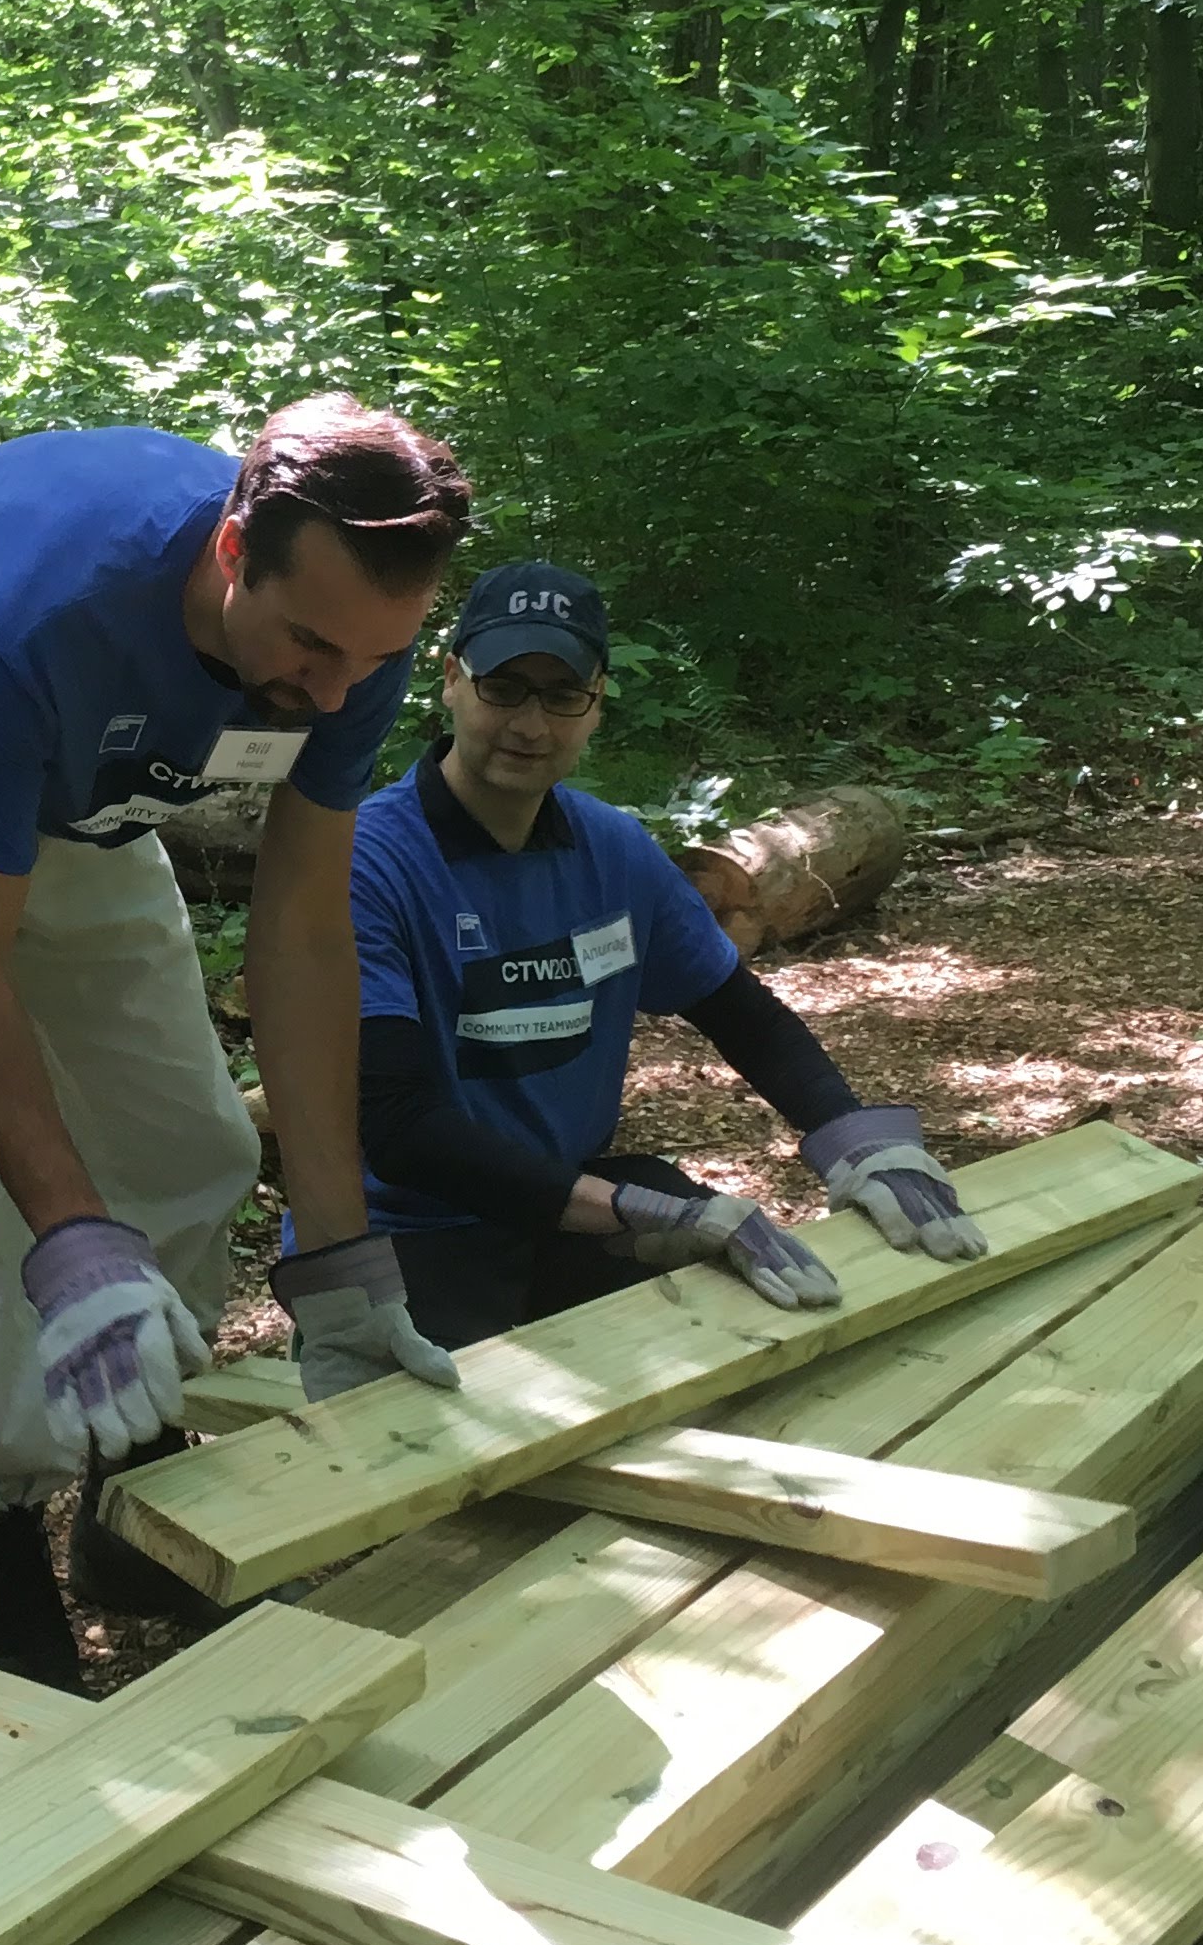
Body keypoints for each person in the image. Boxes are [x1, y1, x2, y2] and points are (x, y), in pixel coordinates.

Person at [0, 401, 474, 1693]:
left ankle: (130, 1504)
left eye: (376, 658)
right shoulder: (41, 609)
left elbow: (307, 929)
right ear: (230, 554)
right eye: (313, 645)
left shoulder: (351, 652)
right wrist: (71, 1234)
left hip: (89, 809)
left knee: (195, 1146)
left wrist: (337, 1247)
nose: (337, 689)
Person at [335, 561, 984, 1363]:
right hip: (415, 1227)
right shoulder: (367, 861)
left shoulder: (612, 848)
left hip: (569, 1203)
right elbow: (399, 1128)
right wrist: (636, 1208)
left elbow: (741, 1015)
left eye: (561, 695)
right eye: (503, 688)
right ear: (452, 683)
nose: (529, 726)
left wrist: (854, 1138)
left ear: (597, 703)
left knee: (769, 1351)